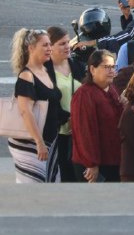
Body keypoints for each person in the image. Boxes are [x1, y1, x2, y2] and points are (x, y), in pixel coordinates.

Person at [7, 29, 62, 183]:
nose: (49, 48)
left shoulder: (44, 70)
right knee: (33, 192)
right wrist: (39, 142)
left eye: (50, 44)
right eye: (44, 45)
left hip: (49, 141)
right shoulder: (27, 75)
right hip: (32, 145)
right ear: (31, 48)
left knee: (49, 188)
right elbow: (25, 112)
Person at [71, 50, 124, 183]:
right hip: (94, 165)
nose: (112, 71)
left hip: (114, 160)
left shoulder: (111, 89)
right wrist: (91, 163)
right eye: (106, 67)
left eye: (113, 67)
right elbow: (84, 132)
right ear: (92, 69)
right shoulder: (85, 94)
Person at [44, 26, 86, 183]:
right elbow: (47, 102)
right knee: (63, 174)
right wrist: (67, 118)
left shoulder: (77, 65)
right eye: (62, 43)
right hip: (59, 133)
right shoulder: (45, 70)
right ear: (50, 47)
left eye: (68, 42)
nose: (67, 46)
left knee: (79, 175)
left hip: (79, 132)